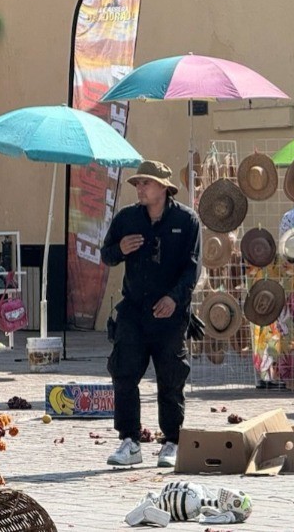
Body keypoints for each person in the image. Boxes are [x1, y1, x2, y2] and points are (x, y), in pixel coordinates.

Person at [100, 161, 201, 468]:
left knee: (170, 377)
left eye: (146, 183)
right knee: (124, 373)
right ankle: (129, 441)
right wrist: (120, 248)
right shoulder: (127, 218)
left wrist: (174, 298)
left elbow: (193, 267)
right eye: (138, 184)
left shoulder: (186, 220)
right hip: (133, 311)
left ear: (163, 188)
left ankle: (171, 442)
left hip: (170, 314)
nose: (140, 188)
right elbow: (106, 254)